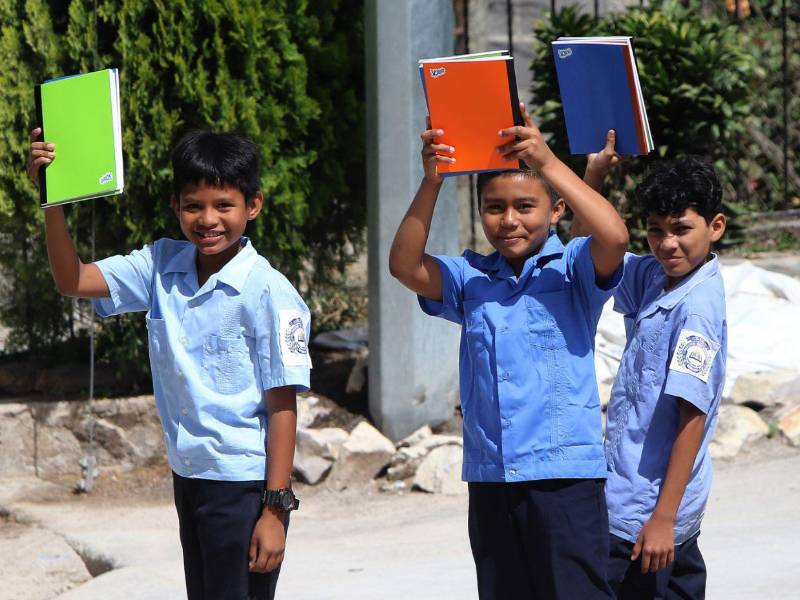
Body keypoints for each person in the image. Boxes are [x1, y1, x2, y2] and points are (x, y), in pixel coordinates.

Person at [27, 128, 311, 600]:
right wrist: (51, 200)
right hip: (189, 479)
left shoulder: (271, 293)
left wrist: (275, 510)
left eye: (224, 205)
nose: (208, 220)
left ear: (253, 205)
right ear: (175, 205)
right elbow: (73, 279)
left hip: (242, 487)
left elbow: (282, 406)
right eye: (193, 206)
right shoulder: (161, 264)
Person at [389, 103, 628, 600]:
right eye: (495, 208)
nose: (509, 220)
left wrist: (546, 162)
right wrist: (432, 180)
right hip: (492, 478)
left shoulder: (573, 271)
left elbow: (614, 235)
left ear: (556, 210)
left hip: (564, 479)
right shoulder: (469, 278)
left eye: (525, 206)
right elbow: (404, 264)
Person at [580, 131, 728, 599]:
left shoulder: (697, 310)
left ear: (715, 226)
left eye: (682, 229)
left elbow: (692, 415)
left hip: (648, 516)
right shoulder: (654, 277)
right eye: (656, 230)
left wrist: (662, 518)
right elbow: (590, 254)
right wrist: (595, 176)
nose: (667, 243)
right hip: (628, 500)